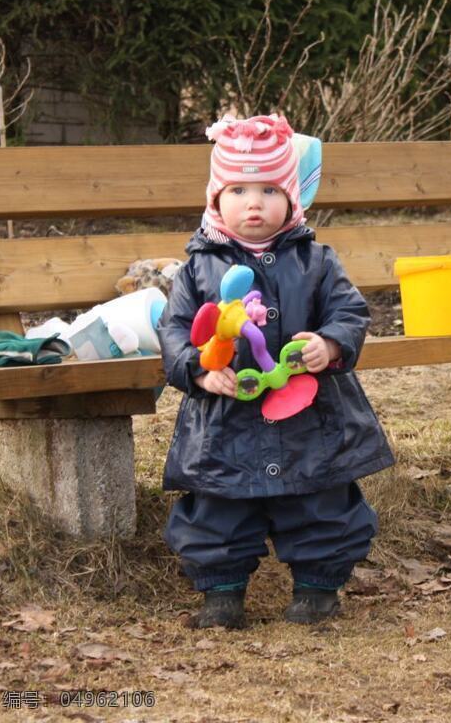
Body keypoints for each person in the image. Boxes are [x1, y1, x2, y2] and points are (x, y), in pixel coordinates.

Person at [157, 113, 394, 629]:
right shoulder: (197, 268)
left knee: (320, 499)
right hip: (225, 418)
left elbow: (350, 312)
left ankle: (317, 587)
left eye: (268, 188)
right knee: (218, 507)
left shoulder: (317, 260)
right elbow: (173, 329)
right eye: (238, 189)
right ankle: (221, 592)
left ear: (292, 198)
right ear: (215, 200)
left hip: (310, 414)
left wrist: (329, 345)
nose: (254, 202)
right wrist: (197, 370)